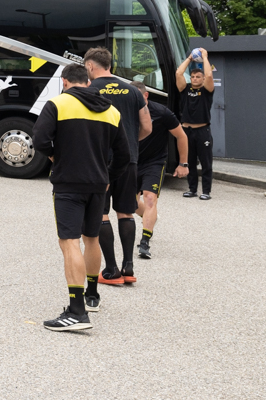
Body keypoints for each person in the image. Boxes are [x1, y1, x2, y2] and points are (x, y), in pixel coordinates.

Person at [31, 64, 129, 331]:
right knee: (92, 238)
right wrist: (109, 176)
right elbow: (124, 155)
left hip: (68, 184)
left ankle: (76, 312)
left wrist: (55, 156)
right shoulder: (111, 111)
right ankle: (92, 295)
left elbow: (39, 139)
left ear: (65, 82)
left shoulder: (57, 104)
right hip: (98, 184)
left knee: (69, 242)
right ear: (88, 82)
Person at [84, 47, 151, 286]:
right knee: (126, 211)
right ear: (109, 64)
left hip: (100, 162)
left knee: (101, 213)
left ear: (90, 66)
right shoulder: (134, 91)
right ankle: (128, 267)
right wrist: (130, 143)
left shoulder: (90, 90)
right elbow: (147, 127)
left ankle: (111, 269)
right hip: (129, 159)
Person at [134, 88, 189, 259]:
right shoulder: (124, 111)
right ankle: (150, 217)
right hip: (131, 162)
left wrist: (183, 164)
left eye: (139, 96)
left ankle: (145, 242)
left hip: (154, 162)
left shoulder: (161, 112)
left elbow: (181, 136)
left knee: (150, 198)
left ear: (146, 95)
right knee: (131, 203)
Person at [176, 47, 215, 200]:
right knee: (189, 161)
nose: (195, 79)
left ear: (202, 79)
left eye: (198, 77)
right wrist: (190, 59)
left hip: (202, 131)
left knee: (206, 163)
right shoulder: (185, 89)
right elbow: (179, 73)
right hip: (186, 131)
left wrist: (204, 57)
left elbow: (210, 75)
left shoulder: (207, 91)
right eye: (193, 77)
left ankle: (206, 191)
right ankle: (192, 189)